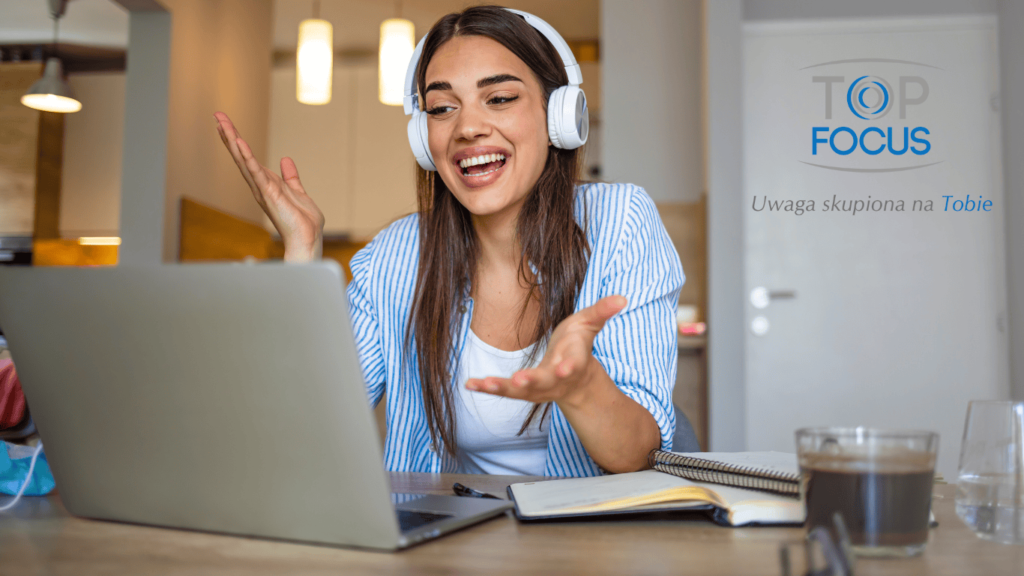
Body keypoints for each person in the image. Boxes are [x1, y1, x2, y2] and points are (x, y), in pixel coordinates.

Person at [213, 5, 684, 477]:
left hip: (590, 544)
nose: (467, 128)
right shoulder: (395, 257)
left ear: (558, 115)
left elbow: (637, 457)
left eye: (499, 98)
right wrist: (302, 253)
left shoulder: (620, 223)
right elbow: (311, 425)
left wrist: (582, 388)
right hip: (458, 542)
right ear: (423, 137)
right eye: (441, 108)